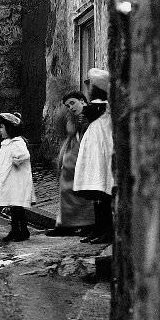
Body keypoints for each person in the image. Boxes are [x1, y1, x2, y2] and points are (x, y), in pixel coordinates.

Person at [73, 68, 114, 244]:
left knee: (102, 195)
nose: (88, 89)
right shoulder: (100, 107)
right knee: (98, 196)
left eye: (90, 85)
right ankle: (98, 229)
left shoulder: (100, 105)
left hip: (100, 153)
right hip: (96, 152)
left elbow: (87, 112)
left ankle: (106, 230)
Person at [46, 91, 95, 236]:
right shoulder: (73, 119)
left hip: (84, 157)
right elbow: (70, 131)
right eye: (68, 106)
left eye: (73, 103)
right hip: (73, 157)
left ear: (82, 101)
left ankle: (86, 224)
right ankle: (67, 224)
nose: (71, 107)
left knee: (84, 194)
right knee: (67, 190)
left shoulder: (91, 117)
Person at [0, 112, 36, 242]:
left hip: (17, 182)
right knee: (13, 208)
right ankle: (15, 230)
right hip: (10, 181)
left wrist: (18, 160)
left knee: (17, 208)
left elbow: (25, 155)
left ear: (9, 128)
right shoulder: (7, 143)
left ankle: (22, 231)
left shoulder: (17, 142)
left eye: (2, 127)